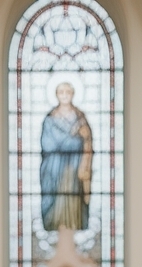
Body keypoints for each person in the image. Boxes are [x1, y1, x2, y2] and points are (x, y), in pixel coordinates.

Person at [39, 83, 93, 232]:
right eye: (61, 92)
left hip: (74, 164)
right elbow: (48, 144)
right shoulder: (50, 119)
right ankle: (54, 225)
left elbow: (87, 140)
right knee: (57, 199)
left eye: (67, 92)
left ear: (73, 94)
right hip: (55, 166)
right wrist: (71, 139)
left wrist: (81, 140)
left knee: (73, 194)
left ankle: (75, 226)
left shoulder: (80, 117)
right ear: (56, 95)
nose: (64, 95)